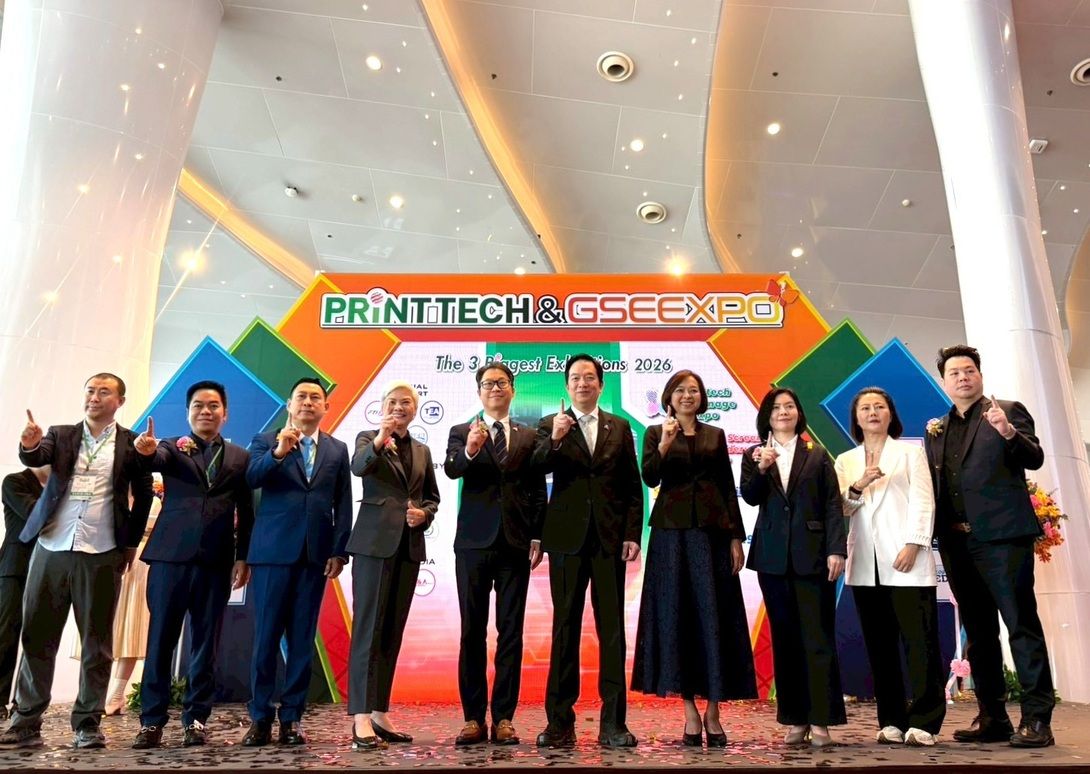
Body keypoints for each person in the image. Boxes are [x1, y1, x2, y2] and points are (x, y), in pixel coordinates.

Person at [0, 373, 154, 749]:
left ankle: (87, 723)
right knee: (38, 636)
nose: (94, 397)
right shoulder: (62, 434)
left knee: (96, 644)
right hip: (52, 546)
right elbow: (36, 456)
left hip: (101, 551)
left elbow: (144, 493)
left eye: (104, 392)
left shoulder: (132, 442)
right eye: (90, 391)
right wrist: (29, 445)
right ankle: (26, 720)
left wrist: (129, 544)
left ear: (120, 401)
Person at [927, 345, 1054, 747]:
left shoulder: (1007, 411)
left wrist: (1008, 432)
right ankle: (993, 717)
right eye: (954, 373)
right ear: (944, 382)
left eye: (969, 370)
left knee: (1021, 625)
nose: (962, 377)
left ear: (979, 375)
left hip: (1003, 540)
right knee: (979, 634)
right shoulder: (937, 428)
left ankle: (1037, 720)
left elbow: (1034, 458)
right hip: (957, 543)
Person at [631, 370, 756, 746]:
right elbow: (649, 477)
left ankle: (714, 712)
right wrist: (665, 443)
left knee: (714, 617)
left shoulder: (715, 434)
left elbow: (726, 487)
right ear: (669, 397)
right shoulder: (655, 432)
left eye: (694, 390)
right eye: (681, 390)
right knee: (678, 617)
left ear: (702, 398)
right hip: (671, 537)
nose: (688, 396)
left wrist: (735, 537)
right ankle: (689, 713)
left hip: (712, 535)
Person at [130, 381, 255, 749]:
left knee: (205, 642)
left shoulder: (240, 457)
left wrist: (242, 556)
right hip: (170, 558)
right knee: (161, 640)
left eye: (213, 405)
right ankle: (151, 721)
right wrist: (146, 452)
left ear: (225, 413)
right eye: (198, 405)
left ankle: (196, 719)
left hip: (216, 561)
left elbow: (246, 511)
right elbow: (154, 460)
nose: (206, 411)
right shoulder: (172, 447)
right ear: (188, 412)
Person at [532, 354, 644, 748]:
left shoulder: (620, 426)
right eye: (576, 378)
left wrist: (632, 534)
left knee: (612, 632)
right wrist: (556, 437)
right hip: (566, 540)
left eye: (590, 377)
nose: (583, 383)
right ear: (567, 386)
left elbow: (632, 486)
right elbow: (535, 467)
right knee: (565, 629)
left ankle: (613, 724)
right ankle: (559, 722)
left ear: (601, 384)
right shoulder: (550, 423)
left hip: (609, 541)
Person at [833, 387, 945, 746]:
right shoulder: (846, 460)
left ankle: (925, 721)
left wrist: (914, 543)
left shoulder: (911, 453)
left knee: (919, 642)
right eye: (865, 408)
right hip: (867, 563)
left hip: (906, 558)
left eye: (879, 406)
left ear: (890, 414)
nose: (872, 412)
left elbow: (924, 501)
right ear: (856, 418)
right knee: (880, 647)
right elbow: (840, 508)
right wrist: (859, 484)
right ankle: (892, 719)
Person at [244, 377, 352, 746]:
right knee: (266, 639)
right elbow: (252, 478)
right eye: (301, 397)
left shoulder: (336, 449)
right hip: (272, 554)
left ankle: (292, 718)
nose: (308, 402)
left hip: (314, 556)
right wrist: (278, 452)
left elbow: (342, 502)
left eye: (315, 397)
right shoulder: (266, 440)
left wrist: (339, 550)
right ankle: (260, 717)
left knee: (302, 640)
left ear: (325, 407)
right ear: (290, 404)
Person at [443, 363, 547, 746]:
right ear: (479, 392)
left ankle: (504, 717)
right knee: (472, 631)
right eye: (488, 384)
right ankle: (473, 718)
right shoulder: (462, 431)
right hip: (473, 544)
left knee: (510, 633)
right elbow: (452, 470)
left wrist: (537, 535)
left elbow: (537, 489)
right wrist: (471, 449)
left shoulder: (529, 436)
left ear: (512, 390)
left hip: (515, 544)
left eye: (502, 383)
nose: (495, 388)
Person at [740, 387, 846, 748]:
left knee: (817, 640)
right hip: (772, 559)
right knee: (785, 642)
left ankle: (821, 720)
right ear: (767, 417)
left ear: (799, 413)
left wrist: (836, 549)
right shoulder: (754, 454)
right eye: (776, 407)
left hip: (813, 556)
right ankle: (795, 719)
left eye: (789, 406)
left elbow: (832, 504)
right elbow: (750, 496)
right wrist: (762, 467)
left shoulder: (817, 454)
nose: (783, 412)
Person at [347, 381, 440, 750]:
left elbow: (431, 496)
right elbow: (359, 467)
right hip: (373, 545)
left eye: (406, 403)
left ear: (415, 409)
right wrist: (380, 438)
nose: (399, 407)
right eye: (393, 402)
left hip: (408, 547)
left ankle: (379, 712)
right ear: (383, 406)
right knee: (368, 630)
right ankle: (360, 716)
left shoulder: (422, 450)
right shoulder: (367, 438)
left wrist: (425, 514)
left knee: (390, 633)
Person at [0, 466, 49, 721]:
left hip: (47, 568)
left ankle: (26, 704)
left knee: (38, 637)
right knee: (6, 634)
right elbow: (34, 515)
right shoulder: (14, 481)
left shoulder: (64, 487)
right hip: (15, 567)